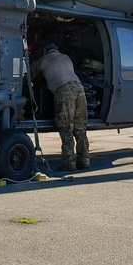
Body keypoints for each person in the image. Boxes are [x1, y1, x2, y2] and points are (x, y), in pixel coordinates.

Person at [34, 43, 89, 171]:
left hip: (64, 90)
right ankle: (84, 161)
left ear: (46, 51)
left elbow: (30, 75)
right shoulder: (66, 58)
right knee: (80, 128)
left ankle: (69, 163)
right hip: (79, 89)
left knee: (66, 128)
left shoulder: (43, 60)